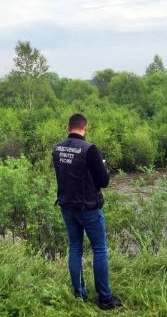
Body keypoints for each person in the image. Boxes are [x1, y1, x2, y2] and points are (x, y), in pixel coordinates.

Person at [52, 113, 122, 310]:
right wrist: (103, 167)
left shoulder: (57, 149)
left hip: (67, 207)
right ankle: (105, 299)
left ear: (68, 128)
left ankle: (79, 294)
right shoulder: (90, 150)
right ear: (85, 127)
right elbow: (104, 181)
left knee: (75, 248)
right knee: (99, 249)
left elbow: (65, 175)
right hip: (88, 208)